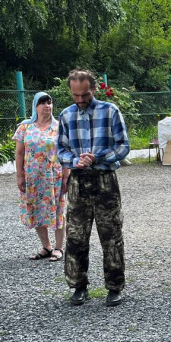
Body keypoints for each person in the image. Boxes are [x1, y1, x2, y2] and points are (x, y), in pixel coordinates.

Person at [57, 69, 129, 307]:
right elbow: (61, 150)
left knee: (111, 235)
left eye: (84, 95)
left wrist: (97, 157)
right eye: (75, 95)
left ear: (94, 89)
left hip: (105, 179)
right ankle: (78, 286)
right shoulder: (66, 116)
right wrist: (74, 160)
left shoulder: (110, 111)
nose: (79, 100)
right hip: (78, 181)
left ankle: (114, 286)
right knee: (76, 236)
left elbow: (123, 146)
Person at [14, 92, 70, 262]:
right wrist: (20, 176)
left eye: (49, 102)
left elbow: (67, 153)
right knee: (37, 209)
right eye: (42, 102)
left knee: (58, 210)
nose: (47, 105)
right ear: (35, 107)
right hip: (32, 177)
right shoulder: (25, 127)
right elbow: (19, 153)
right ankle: (46, 246)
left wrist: (67, 176)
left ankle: (59, 247)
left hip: (54, 177)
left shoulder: (59, 127)